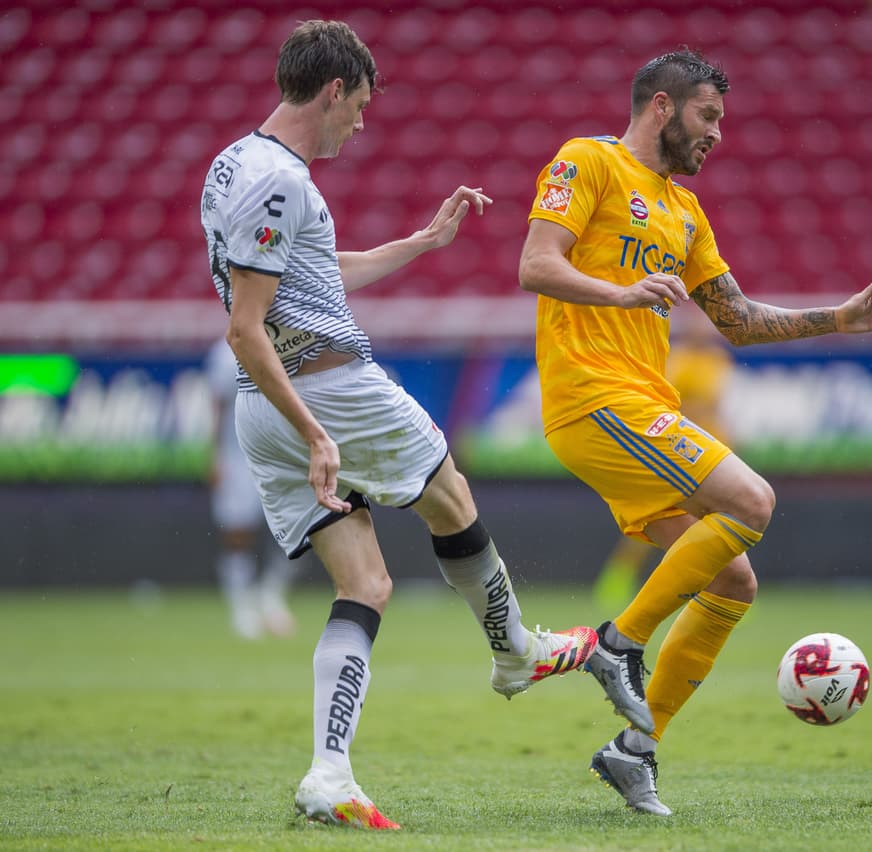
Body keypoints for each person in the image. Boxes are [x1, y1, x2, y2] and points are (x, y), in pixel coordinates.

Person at [200, 21, 598, 830]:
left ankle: (329, 774)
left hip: (261, 406)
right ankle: (516, 650)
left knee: (366, 586)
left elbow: (303, 271)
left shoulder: (237, 163)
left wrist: (421, 241)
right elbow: (245, 324)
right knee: (449, 492)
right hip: (328, 391)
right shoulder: (280, 180)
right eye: (361, 106)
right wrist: (317, 432)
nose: (363, 123)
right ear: (335, 89)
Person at [517, 49, 872, 816]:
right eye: (708, 117)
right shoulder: (587, 161)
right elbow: (536, 264)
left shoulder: (685, 212)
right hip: (596, 397)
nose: (718, 135)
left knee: (733, 579)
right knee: (752, 501)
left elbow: (735, 319)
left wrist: (838, 318)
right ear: (661, 108)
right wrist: (624, 292)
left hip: (640, 405)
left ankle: (636, 751)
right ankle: (617, 644)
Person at [591, 315, 737, 611]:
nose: (703, 330)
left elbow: (716, 405)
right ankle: (619, 579)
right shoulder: (676, 357)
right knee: (657, 518)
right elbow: (671, 402)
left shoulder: (719, 360)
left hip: (711, 443)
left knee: (722, 523)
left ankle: (731, 586)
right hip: (678, 447)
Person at [206, 337, 298, 640]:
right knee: (238, 532)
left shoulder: (288, 339)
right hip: (239, 456)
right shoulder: (224, 355)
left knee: (298, 529)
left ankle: (272, 596)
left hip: (282, 452)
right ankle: (240, 606)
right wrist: (216, 456)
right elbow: (217, 406)